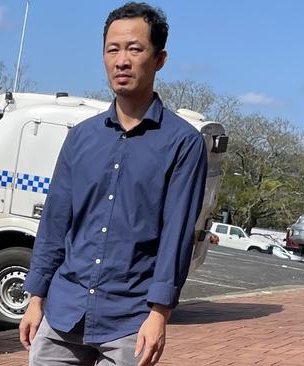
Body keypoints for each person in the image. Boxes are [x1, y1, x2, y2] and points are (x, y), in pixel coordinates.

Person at [20, 2, 208, 365]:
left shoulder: (183, 143)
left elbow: (176, 236)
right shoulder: (81, 138)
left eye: (135, 49)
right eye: (113, 49)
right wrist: (35, 298)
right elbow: (55, 222)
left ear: (159, 59)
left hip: (129, 320)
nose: (122, 60)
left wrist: (160, 313)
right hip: (62, 313)